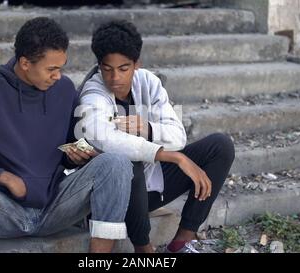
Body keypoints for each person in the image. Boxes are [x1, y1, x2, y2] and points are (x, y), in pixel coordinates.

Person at [0, 17, 133, 253]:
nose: (58, 76)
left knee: (116, 163)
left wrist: (78, 151)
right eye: (51, 69)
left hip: (57, 205)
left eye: (61, 67)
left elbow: (69, 143)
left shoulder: (64, 89)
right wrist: (3, 177)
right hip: (5, 209)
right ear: (25, 63)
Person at [78, 20, 235, 253]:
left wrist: (149, 129)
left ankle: (182, 242)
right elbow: (105, 139)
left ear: (136, 64)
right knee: (127, 159)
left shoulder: (149, 82)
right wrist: (174, 157)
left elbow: (177, 135)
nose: (115, 78)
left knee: (220, 146)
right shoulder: (93, 92)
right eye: (107, 68)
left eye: (123, 68)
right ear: (99, 66)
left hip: (150, 190)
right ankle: (144, 249)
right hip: (110, 200)